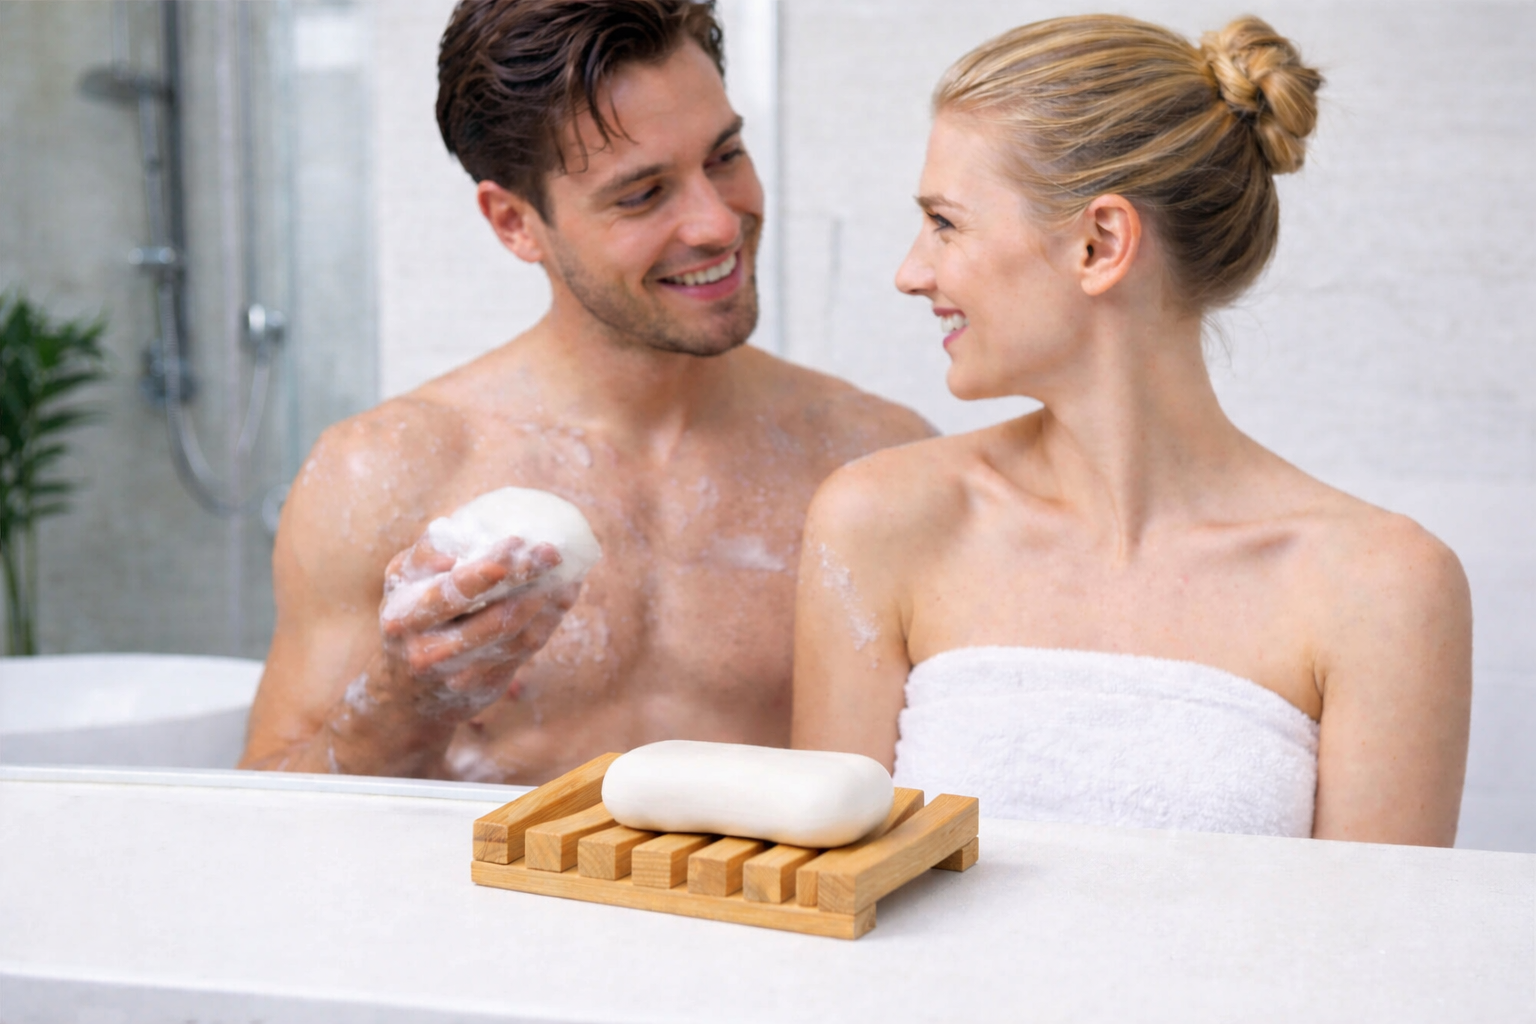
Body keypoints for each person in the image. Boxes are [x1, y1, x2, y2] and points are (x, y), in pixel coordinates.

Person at [791, 15, 1471, 844]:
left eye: (946, 222)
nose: (911, 272)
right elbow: (823, 914)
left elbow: (1373, 958)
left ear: (1100, 242)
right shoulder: (880, 524)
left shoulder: (1382, 590)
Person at [239, 0, 931, 784]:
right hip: (483, 908)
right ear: (514, 223)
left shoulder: (873, 458)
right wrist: (405, 700)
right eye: (642, 195)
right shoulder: (383, 474)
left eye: (726, 155)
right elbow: (270, 812)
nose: (715, 223)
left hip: (769, 909)